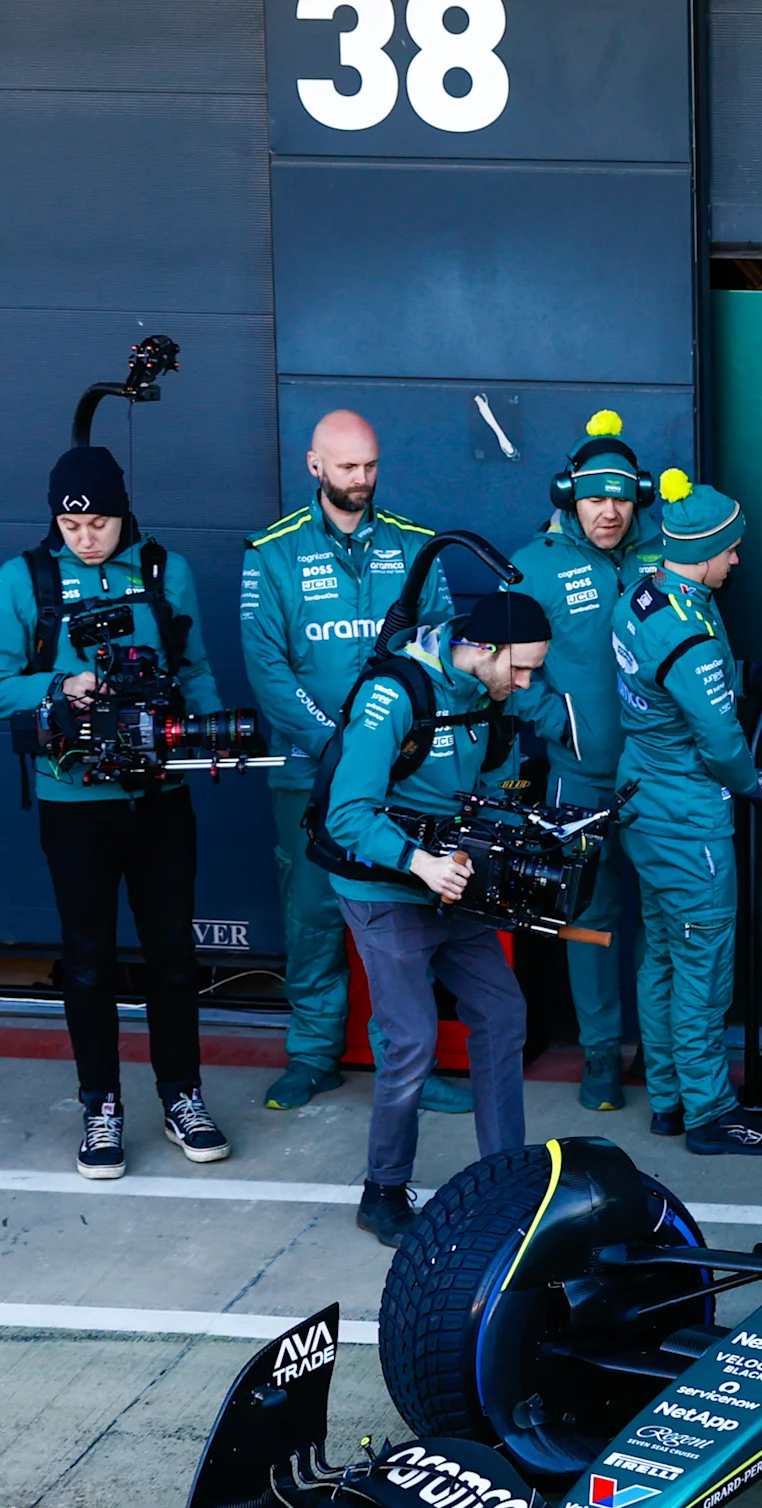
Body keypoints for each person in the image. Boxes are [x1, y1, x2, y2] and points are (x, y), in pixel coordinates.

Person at [0, 445, 233, 1178]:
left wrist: (207, 736)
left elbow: (196, 667)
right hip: (74, 799)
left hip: (160, 796)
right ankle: (101, 1105)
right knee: (87, 963)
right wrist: (62, 686)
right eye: (70, 524)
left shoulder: (164, 571)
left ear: (124, 512)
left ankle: (183, 1095)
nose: (86, 538)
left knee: (175, 958)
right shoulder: (23, 579)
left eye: (100, 523)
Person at [240, 409, 453, 1115]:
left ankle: (408, 1060)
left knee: (406, 917)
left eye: (370, 466)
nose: (361, 480)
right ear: (314, 465)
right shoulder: (270, 553)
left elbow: (442, 652)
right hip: (309, 771)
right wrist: (340, 745)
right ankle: (312, 1056)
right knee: (313, 914)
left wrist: (384, 749)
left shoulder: (417, 546)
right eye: (347, 467)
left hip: (405, 773)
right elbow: (268, 669)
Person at [323, 592, 552, 1243]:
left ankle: (506, 1176)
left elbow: (493, 794)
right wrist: (420, 863)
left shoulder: (491, 695)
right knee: (413, 1037)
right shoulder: (395, 694)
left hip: (450, 884)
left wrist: (496, 856)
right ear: (482, 650)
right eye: (524, 668)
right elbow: (347, 816)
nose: (528, 683)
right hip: (383, 886)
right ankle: (383, 1190)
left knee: (504, 1013)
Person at [613, 472, 762, 1156]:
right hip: (689, 820)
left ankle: (668, 1100)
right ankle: (711, 1114)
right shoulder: (688, 632)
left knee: (662, 951)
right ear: (707, 548)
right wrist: (754, 782)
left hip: (645, 804)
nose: (738, 560)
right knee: (702, 966)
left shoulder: (644, 591)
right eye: (732, 549)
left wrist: (744, 672)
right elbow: (719, 741)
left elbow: (674, 683)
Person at [506, 414, 655, 1111]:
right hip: (581, 775)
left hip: (659, 774)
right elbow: (505, 672)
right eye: (595, 497)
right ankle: (600, 1055)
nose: (609, 510)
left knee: (666, 910)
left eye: (622, 497)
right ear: (570, 495)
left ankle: (663, 1047)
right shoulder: (532, 565)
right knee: (589, 918)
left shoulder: (662, 552)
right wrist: (560, 728)